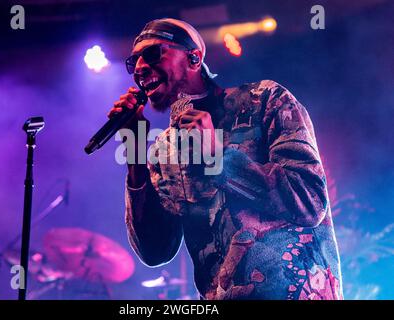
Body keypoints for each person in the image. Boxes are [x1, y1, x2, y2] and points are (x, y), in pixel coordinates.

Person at [108, 18, 343, 300]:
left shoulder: (264, 99)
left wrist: (217, 158)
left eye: (153, 53)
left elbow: (309, 203)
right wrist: (134, 152)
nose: (140, 68)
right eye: (133, 62)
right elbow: (155, 251)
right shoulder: (164, 149)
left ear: (194, 57)